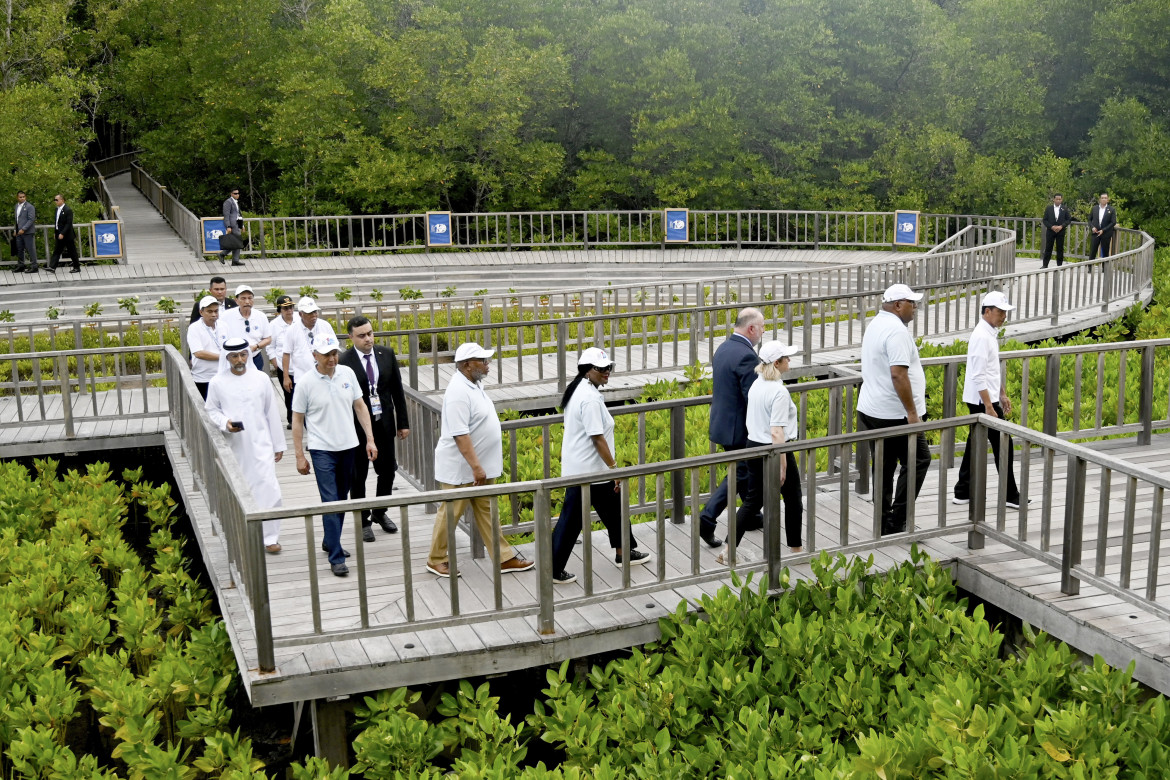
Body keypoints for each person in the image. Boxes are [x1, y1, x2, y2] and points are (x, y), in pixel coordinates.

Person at [426, 343, 533, 578]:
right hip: (464, 468)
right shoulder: (458, 392)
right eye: (482, 361)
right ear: (466, 365)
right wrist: (476, 467)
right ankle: (436, 559)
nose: (487, 365)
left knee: (488, 511)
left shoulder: (473, 384)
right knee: (450, 513)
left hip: (478, 468)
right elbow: (460, 434)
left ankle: (503, 558)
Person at [550, 348, 649, 584]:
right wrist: (615, 469)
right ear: (587, 370)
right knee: (571, 521)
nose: (607, 372)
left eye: (609, 368)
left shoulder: (581, 389)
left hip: (589, 469)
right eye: (601, 368)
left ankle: (624, 551)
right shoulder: (589, 398)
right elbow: (597, 438)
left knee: (614, 508)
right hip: (588, 472)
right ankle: (552, 568)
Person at [292, 334, 377, 577]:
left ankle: (331, 540)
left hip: (348, 446)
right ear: (314, 355)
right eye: (326, 354)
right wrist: (299, 455)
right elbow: (297, 421)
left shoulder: (347, 374)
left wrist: (369, 439)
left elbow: (360, 406)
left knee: (341, 498)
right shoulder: (306, 383)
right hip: (322, 450)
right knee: (331, 501)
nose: (332, 358)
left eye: (334, 353)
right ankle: (336, 557)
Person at [857, 283, 931, 536]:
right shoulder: (897, 331)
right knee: (920, 459)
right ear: (898, 305)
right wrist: (912, 413)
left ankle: (883, 521)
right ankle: (897, 521)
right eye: (912, 303)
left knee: (884, 466)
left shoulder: (876, 323)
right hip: (894, 413)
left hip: (872, 408)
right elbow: (899, 375)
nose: (915, 308)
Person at [720, 341, 803, 565]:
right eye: (786, 358)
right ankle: (796, 549)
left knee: (752, 501)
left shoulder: (757, 384)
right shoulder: (779, 391)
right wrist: (783, 464)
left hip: (752, 445)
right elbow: (777, 432)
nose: (789, 361)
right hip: (774, 450)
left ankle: (728, 549)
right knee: (793, 498)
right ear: (777, 363)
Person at [205, 337, 285, 553]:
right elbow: (211, 410)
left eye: (242, 355)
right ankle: (241, 537)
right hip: (234, 446)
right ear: (227, 358)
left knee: (269, 488)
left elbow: (271, 413)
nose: (239, 360)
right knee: (239, 490)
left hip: (261, 444)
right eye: (234, 356)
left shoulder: (261, 379)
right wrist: (225, 423)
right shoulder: (217, 382)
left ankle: (270, 538)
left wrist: (278, 445)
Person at [698, 307, 766, 548]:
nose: (763, 331)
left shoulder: (724, 348)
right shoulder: (747, 356)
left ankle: (753, 515)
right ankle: (707, 517)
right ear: (751, 328)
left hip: (723, 424)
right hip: (740, 429)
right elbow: (753, 397)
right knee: (741, 473)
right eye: (762, 326)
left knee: (744, 474)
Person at [340, 316, 410, 541]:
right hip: (357, 427)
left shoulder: (386, 354)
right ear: (351, 337)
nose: (368, 338)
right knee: (357, 475)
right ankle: (363, 520)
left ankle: (380, 511)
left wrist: (403, 423)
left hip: (384, 422)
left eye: (370, 333)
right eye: (361, 336)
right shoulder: (344, 361)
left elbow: (397, 390)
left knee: (388, 470)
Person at [953, 291, 1022, 509]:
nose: (1004, 316)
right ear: (987, 311)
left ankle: (962, 490)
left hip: (987, 398)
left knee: (976, 443)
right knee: (1004, 443)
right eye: (1000, 312)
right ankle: (1010, 495)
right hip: (982, 400)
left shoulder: (989, 332)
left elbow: (991, 369)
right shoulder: (981, 336)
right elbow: (978, 374)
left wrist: (1001, 393)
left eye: (1005, 312)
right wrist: (990, 406)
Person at [282, 297, 336, 413]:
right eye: (310, 313)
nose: (314, 315)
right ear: (301, 314)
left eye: (315, 312)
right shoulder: (292, 330)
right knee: (306, 409)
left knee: (326, 407)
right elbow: (286, 354)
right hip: (302, 377)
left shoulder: (325, 325)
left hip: (325, 375)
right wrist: (286, 377)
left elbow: (334, 348)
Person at [221, 284, 271, 371]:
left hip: (255, 357)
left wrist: (256, 346)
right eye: (243, 298)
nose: (247, 301)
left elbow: (268, 338)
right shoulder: (226, 316)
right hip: (234, 359)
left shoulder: (261, 316)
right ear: (236, 300)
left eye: (250, 298)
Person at [187, 295, 226, 399]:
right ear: (201, 312)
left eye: (216, 311)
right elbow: (199, 353)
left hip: (223, 375)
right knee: (206, 410)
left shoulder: (224, 326)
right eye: (209, 311)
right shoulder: (194, 328)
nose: (214, 314)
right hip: (203, 378)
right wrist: (224, 356)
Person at [267, 294, 296, 426]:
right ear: (280, 310)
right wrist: (277, 364)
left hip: (299, 364)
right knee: (288, 393)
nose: (289, 310)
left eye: (291, 307)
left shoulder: (299, 321)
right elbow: (270, 347)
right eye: (285, 308)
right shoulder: (274, 325)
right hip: (283, 366)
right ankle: (292, 419)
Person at [48, 194, 80, 274]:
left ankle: (77, 267)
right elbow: (57, 223)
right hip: (59, 234)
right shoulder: (57, 209)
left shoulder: (68, 210)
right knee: (57, 251)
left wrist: (62, 233)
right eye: (55, 200)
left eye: (57, 200)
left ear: (62, 200)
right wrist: (56, 232)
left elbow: (68, 224)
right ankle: (52, 267)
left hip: (67, 235)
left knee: (72, 251)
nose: (55, 201)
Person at [1040, 194, 1071, 269]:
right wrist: (1051, 226)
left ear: (1061, 200)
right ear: (1054, 199)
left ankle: (1059, 265)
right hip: (1051, 231)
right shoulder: (1049, 208)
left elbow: (1068, 219)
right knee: (1048, 247)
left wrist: (1061, 226)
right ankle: (1045, 264)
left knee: (1060, 248)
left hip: (1060, 231)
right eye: (1056, 199)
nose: (1058, 201)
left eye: (1059, 199)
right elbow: (1045, 220)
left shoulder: (1064, 208)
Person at [13, 191, 37, 273]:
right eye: (20, 197)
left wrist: (23, 229)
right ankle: (21, 266)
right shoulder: (16, 206)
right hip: (18, 232)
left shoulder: (30, 207)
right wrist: (15, 229)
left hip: (27, 232)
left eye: (23, 197)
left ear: (25, 197)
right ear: (17, 197)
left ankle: (34, 266)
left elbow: (31, 219)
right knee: (20, 249)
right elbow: (16, 219)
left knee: (30, 249)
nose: (22, 198)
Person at [1088, 193, 1116, 259]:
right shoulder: (1094, 208)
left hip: (1105, 234)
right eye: (1102, 198)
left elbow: (1113, 222)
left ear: (1108, 200)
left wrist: (1103, 230)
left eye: (1105, 198)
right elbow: (1089, 220)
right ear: (1100, 199)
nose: (1104, 199)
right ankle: (1090, 268)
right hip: (1095, 233)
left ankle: (1104, 269)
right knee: (1092, 252)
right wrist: (1092, 227)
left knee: (1105, 253)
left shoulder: (1111, 210)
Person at [220, 187, 244, 266]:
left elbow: (238, 215)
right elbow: (226, 215)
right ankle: (223, 254)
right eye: (235, 193)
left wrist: (242, 225)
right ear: (231, 194)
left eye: (238, 193)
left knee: (236, 242)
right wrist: (228, 226)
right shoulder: (228, 202)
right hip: (232, 225)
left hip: (237, 224)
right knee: (237, 242)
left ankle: (235, 260)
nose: (237, 195)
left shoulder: (235, 202)